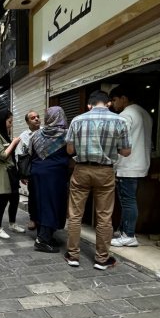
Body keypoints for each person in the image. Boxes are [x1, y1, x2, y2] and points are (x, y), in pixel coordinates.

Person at [65, 90, 131, 270]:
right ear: (108, 103)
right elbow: (126, 151)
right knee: (104, 217)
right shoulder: (120, 121)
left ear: (89, 104)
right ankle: (102, 259)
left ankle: (73, 255)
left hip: (81, 170)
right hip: (105, 172)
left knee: (75, 214)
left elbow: (70, 151)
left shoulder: (77, 120)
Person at [109, 85, 153, 247]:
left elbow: (119, 141)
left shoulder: (126, 115)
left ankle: (128, 235)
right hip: (140, 163)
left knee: (127, 201)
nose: (113, 104)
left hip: (128, 165)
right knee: (129, 200)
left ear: (124, 98)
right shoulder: (144, 113)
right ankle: (124, 230)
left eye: (114, 100)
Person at [28, 107, 69, 253]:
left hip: (37, 174)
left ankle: (44, 235)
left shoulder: (36, 134)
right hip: (54, 176)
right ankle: (42, 240)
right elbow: (71, 153)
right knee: (52, 205)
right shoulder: (65, 134)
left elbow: (30, 153)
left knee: (40, 204)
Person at [0, 110, 25, 239]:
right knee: (2, 201)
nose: (11, 125)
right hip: (1, 173)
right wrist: (14, 143)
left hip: (10, 171)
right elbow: (3, 155)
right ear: (2, 121)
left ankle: (12, 224)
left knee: (15, 198)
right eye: (9, 122)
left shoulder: (4, 134)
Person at [16, 109, 41, 230]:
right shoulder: (23, 136)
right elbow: (20, 155)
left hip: (44, 169)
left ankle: (42, 218)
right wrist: (23, 174)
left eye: (38, 117)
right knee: (33, 195)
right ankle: (32, 218)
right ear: (27, 122)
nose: (36, 119)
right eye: (33, 118)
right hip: (32, 170)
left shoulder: (45, 132)